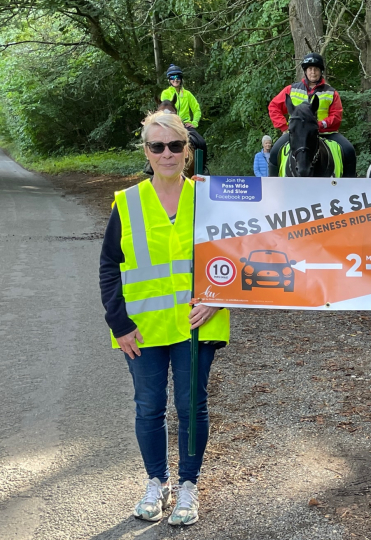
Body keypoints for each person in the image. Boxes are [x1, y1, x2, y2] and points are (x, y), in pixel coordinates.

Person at [99, 110, 230, 526]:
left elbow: (237, 258)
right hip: (142, 328)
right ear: (147, 152)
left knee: (192, 407)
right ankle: (158, 481)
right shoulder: (128, 201)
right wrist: (118, 324)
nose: (167, 153)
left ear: (187, 151)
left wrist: (217, 298)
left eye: (175, 145)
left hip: (198, 323)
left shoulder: (211, 198)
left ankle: (189, 486)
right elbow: (109, 267)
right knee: (149, 407)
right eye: (158, 146)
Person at [267, 52, 356, 177]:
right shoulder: (291, 89)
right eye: (310, 69)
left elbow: (336, 115)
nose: (313, 72)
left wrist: (321, 124)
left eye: (316, 69)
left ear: (321, 71)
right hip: (297, 134)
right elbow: (274, 106)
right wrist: (285, 127)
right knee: (275, 151)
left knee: (349, 150)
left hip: (326, 133)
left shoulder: (331, 92)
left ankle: (349, 188)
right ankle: (274, 188)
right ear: (305, 71)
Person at [160, 65, 201, 130]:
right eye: (172, 77)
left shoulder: (188, 94)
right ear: (169, 80)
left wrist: (194, 122)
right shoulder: (165, 93)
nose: (175, 79)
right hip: (171, 125)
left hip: (186, 125)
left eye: (178, 77)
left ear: (181, 79)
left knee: (200, 140)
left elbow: (196, 109)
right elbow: (165, 110)